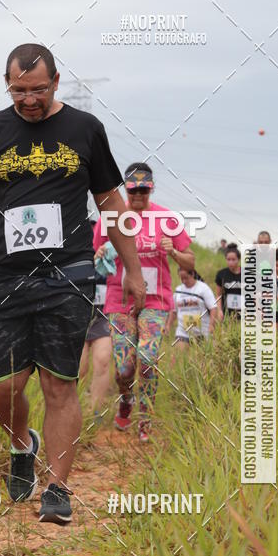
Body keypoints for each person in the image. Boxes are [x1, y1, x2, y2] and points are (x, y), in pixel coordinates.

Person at [0, 43, 145, 526]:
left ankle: (58, 487)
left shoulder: (84, 129)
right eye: (19, 90)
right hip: (7, 278)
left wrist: (134, 269)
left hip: (69, 273)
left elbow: (111, 203)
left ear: (56, 82)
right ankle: (23, 444)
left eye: (38, 89)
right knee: (2, 388)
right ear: (7, 84)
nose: (29, 99)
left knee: (59, 384)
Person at [93, 163, 194, 442]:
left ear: (151, 189)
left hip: (156, 300)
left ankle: (145, 417)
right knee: (125, 366)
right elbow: (96, 258)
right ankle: (126, 398)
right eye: (133, 190)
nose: (138, 196)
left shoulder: (166, 218)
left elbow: (190, 260)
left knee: (148, 358)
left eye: (143, 191)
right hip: (120, 299)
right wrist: (101, 252)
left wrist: (173, 252)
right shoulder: (112, 217)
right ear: (126, 189)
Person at [79, 234, 113, 417]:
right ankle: (76, 409)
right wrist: (92, 260)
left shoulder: (114, 247)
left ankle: (95, 412)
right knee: (80, 367)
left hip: (104, 315)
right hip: (80, 316)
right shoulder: (76, 244)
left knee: (102, 360)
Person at [166, 267, 217, 349]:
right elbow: (174, 311)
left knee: (203, 359)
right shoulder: (178, 290)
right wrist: (168, 325)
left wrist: (211, 325)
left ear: (192, 274)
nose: (184, 281)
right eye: (181, 278)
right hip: (183, 331)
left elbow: (213, 308)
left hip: (202, 331)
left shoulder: (203, 288)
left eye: (186, 278)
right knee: (180, 356)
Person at [215, 245, 242, 320]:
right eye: (228, 259)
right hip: (227, 313)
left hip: (244, 313)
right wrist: (219, 310)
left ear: (238, 259)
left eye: (233, 259)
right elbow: (218, 295)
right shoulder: (221, 274)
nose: (231, 262)